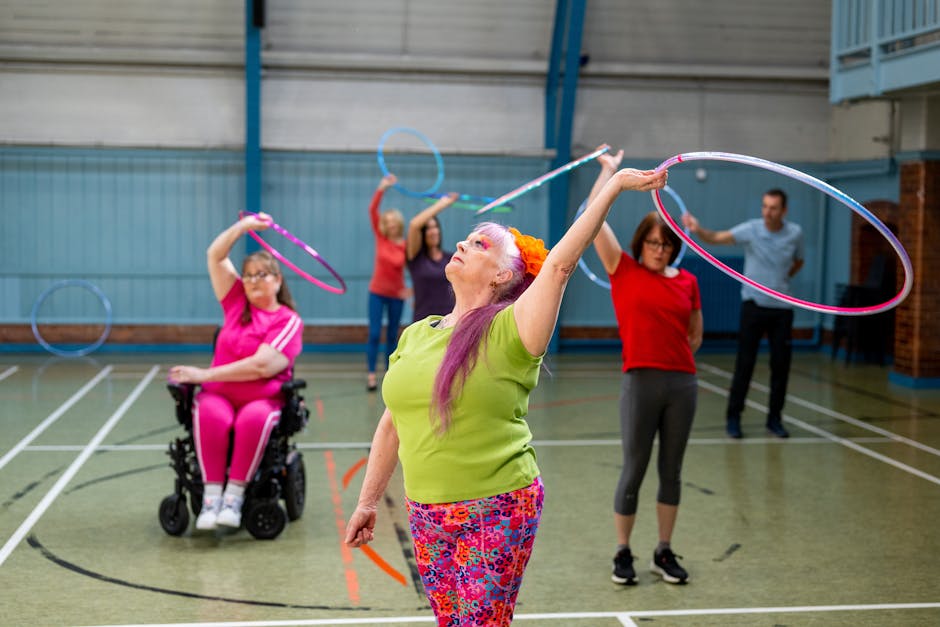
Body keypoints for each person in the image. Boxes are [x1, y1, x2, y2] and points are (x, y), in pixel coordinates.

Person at [344, 161, 667, 626]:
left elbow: (559, 266)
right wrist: (368, 501)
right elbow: (393, 422)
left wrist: (614, 184)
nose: (461, 244)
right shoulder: (415, 334)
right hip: (426, 512)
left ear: (500, 275)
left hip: (496, 507)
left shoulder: (512, 329)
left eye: (480, 244)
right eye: (466, 239)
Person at [588, 151, 702, 586]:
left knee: (672, 471)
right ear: (641, 244)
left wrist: (676, 352)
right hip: (640, 381)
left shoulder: (688, 282)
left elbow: (695, 334)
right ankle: (623, 552)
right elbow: (594, 218)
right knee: (634, 468)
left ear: (674, 247)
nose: (659, 249)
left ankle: (663, 551)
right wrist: (608, 172)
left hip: (682, 385)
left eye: (666, 244)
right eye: (653, 242)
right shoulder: (622, 269)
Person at [168, 212, 303, 531]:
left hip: (263, 400)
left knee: (252, 420)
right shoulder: (235, 302)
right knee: (211, 414)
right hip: (219, 395)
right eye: (249, 275)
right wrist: (243, 227)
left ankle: (234, 498)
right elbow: (215, 255)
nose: (254, 280)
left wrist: (203, 375)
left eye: (262, 274)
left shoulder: (287, 321)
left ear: (278, 280)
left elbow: (261, 366)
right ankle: (211, 499)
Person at [682, 189, 804, 439]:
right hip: (753, 306)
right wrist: (698, 229)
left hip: (782, 309)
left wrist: (781, 280)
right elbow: (717, 238)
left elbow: (799, 261)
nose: (768, 212)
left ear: (784, 211)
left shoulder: (795, 233)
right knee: (744, 365)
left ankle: (775, 420)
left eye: (773, 208)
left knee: (780, 367)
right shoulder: (752, 229)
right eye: (765, 206)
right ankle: (734, 418)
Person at [366, 174, 409, 391]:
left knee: (392, 336)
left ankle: (389, 374)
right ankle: (371, 374)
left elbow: (416, 269)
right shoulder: (381, 238)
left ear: (399, 223)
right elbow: (372, 210)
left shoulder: (406, 244)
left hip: (396, 296)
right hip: (376, 292)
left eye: (394, 221)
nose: (391, 224)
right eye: (388, 221)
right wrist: (381, 187)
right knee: (374, 334)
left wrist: (411, 290)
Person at [406, 192, 459, 322]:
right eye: (429, 229)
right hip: (423, 323)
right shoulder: (416, 259)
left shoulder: (451, 258)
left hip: (448, 322)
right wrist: (443, 203)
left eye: (436, 227)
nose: (434, 231)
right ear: (422, 234)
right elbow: (414, 224)